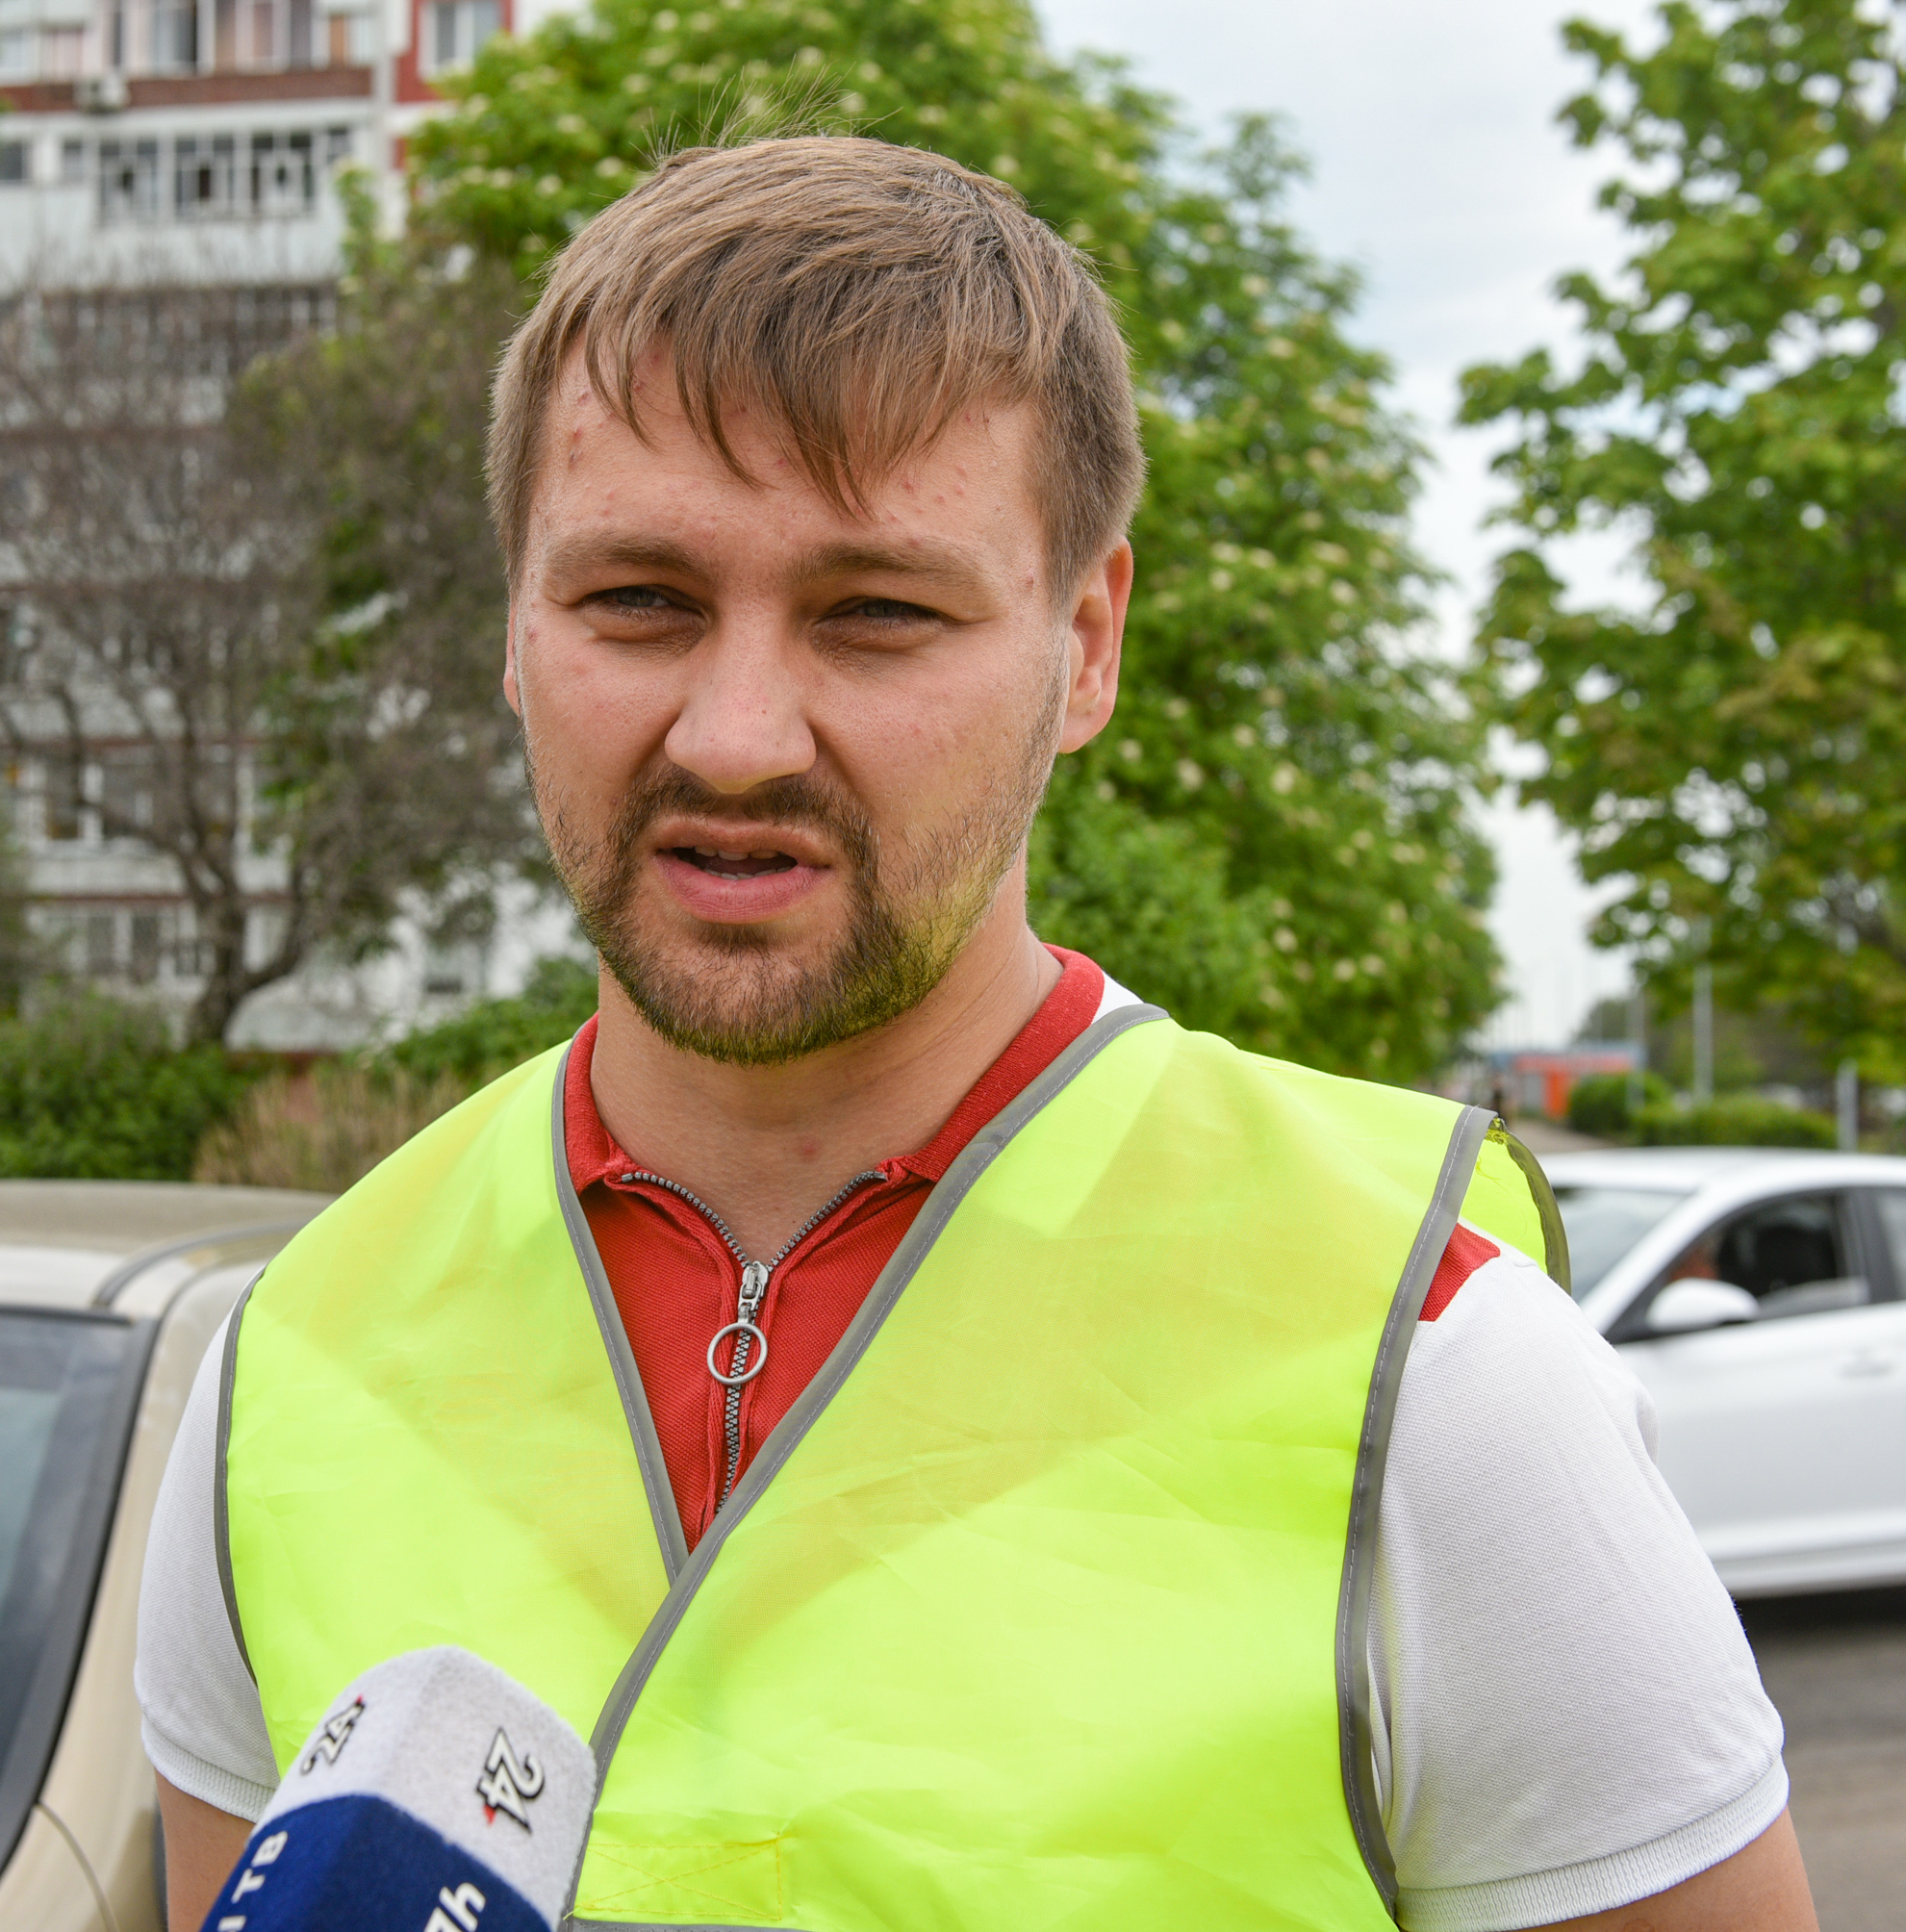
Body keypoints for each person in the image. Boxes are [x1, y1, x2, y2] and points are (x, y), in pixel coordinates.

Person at [135, 139, 1818, 1932]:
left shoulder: (1427, 1367)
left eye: (875, 611)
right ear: (515, 630)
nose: (734, 731)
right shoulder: (282, 1373)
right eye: (638, 598)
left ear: (1082, 647)